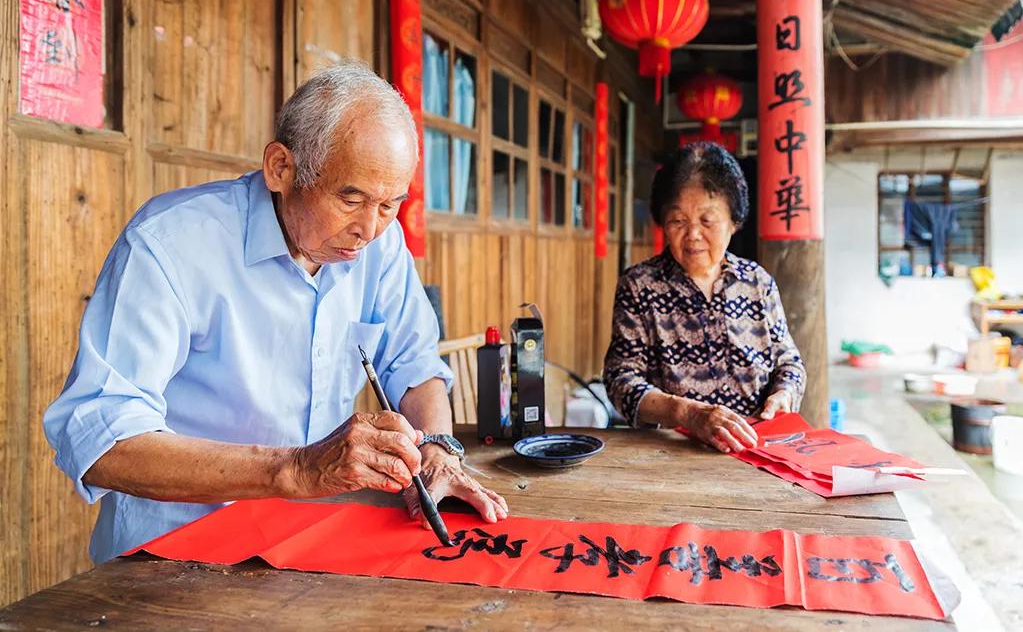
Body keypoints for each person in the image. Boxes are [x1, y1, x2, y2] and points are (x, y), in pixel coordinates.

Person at [44, 61, 507, 563]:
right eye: (350, 198)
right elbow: (99, 436)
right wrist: (295, 470)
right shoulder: (171, 244)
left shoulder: (380, 244)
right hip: (173, 555)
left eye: (390, 204)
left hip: (314, 542)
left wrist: (437, 451)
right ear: (281, 169)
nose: (369, 228)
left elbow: (413, 368)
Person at [603, 142, 806, 454]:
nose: (693, 234)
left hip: (757, 449)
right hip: (674, 455)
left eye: (707, 220)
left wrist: (784, 393)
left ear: (734, 221)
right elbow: (621, 380)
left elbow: (789, 361)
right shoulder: (640, 286)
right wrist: (687, 413)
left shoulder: (757, 282)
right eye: (678, 221)